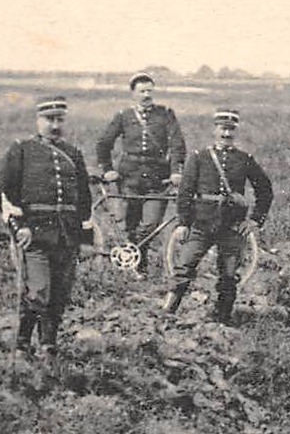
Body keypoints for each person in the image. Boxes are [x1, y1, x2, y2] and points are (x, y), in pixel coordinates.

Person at [0, 97, 95, 357]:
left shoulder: (73, 154)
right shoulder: (22, 150)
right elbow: (4, 194)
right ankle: (23, 343)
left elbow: (84, 199)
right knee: (38, 292)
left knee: (60, 293)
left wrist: (85, 239)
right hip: (35, 235)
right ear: (38, 121)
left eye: (60, 119)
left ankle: (49, 344)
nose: (55, 125)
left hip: (66, 236)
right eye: (49, 120)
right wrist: (19, 228)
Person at [163, 110, 273, 325]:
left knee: (229, 275)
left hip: (232, 226)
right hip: (201, 223)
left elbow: (265, 190)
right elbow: (185, 191)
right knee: (184, 266)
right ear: (214, 130)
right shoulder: (199, 157)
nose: (226, 133)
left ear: (236, 132)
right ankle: (166, 314)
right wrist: (183, 223)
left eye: (231, 129)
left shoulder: (244, 159)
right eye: (223, 128)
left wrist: (254, 220)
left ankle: (222, 321)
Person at [95, 73, 187, 274]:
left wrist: (176, 172)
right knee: (130, 225)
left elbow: (177, 144)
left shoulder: (165, 114)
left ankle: (133, 259)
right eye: (142, 91)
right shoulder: (124, 116)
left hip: (157, 180)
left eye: (149, 91)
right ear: (133, 94)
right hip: (129, 179)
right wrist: (108, 169)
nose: (146, 95)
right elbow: (103, 143)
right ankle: (135, 266)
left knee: (150, 225)